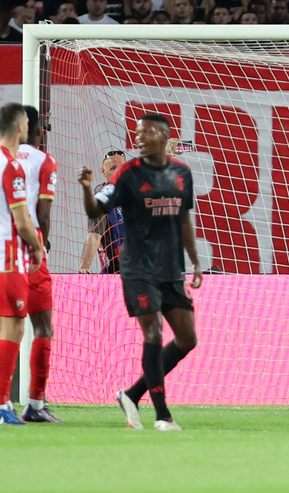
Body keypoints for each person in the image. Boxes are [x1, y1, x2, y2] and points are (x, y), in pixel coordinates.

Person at [78, 114, 202, 431]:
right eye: (137, 132)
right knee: (153, 333)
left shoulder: (181, 173)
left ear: (163, 135)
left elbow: (184, 220)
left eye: (146, 132)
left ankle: (132, 394)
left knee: (187, 339)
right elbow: (95, 211)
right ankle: (162, 415)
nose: (139, 137)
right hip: (138, 267)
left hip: (171, 269)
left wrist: (195, 262)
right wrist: (86, 188)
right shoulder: (127, 174)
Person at [0, 103, 45, 425]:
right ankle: (0, 407)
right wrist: (38, 247)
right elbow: (22, 220)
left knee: (2, 329)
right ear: (20, 127)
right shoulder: (10, 167)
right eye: (27, 123)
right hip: (7, 258)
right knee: (14, 328)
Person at [15, 106, 62, 422]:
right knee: (42, 326)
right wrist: (40, 245)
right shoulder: (44, 162)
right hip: (29, 249)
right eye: (42, 126)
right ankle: (34, 403)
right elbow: (42, 215)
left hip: (0, 251)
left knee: (6, 328)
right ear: (35, 129)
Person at [80, 150, 126, 274]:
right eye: (113, 169)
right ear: (103, 172)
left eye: (121, 168)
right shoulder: (102, 197)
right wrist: (83, 268)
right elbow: (94, 235)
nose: (118, 173)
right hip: (115, 273)